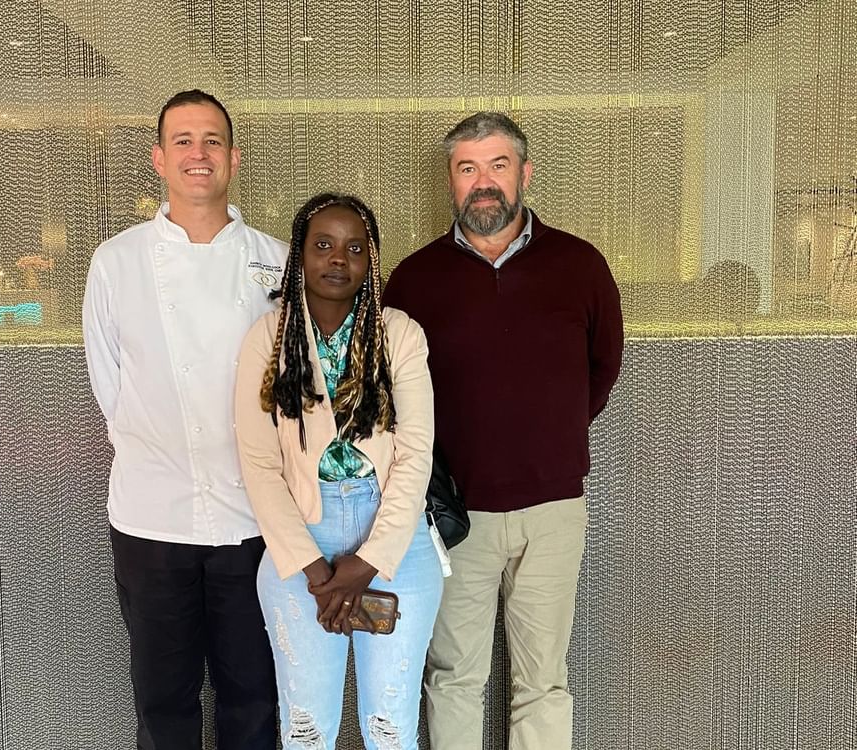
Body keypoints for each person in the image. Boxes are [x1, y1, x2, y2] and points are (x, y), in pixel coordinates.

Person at [383, 112, 624, 750]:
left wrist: (553, 432)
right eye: (467, 168)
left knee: (543, 680)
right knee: (453, 674)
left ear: (524, 173)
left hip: (553, 508)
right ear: (451, 182)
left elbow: (603, 366)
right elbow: (392, 392)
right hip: (455, 515)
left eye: (496, 165)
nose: (482, 182)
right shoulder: (412, 280)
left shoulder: (580, 264)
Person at [82, 89, 284, 750]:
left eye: (212, 141)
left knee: (253, 698)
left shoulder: (277, 262)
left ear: (234, 158)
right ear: (160, 160)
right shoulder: (117, 262)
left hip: (255, 522)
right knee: (163, 705)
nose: (199, 154)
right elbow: (111, 386)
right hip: (152, 520)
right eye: (184, 142)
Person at [234, 193, 443, 750]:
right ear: (299, 256)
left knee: (391, 727)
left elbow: (415, 453)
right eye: (322, 245)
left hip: (394, 537)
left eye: (354, 248)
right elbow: (259, 463)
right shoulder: (270, 337)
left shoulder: (399, 333)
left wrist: (368, 561)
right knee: (304, 728)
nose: (337, 259)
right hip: (299, 539)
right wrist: (314, 569)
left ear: (371, 260)